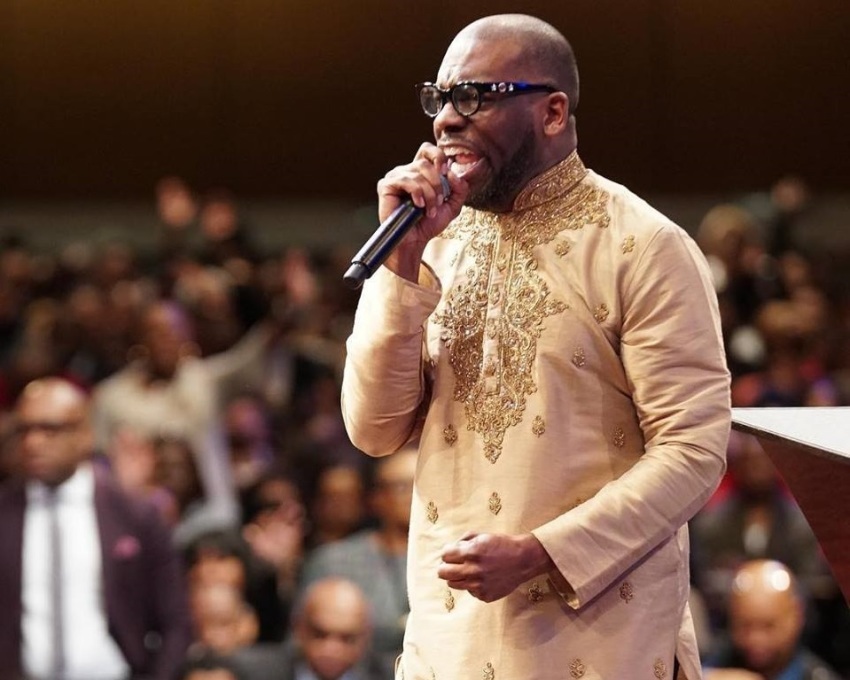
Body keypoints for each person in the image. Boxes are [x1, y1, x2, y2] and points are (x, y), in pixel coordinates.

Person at [340, 13, 731, 680]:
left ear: (552, 113)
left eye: (475, 98)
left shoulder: (644, 245)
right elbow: (373, 431)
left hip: (600, 642)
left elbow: (694, 452)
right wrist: (401, 266)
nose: (446, 123)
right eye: (440, 99)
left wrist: (545, 552)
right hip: (449, 646)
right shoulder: (438, 242)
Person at [0, 377, 191, 680]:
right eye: (24, 430)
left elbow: (174, 621)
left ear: (85, 434)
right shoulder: (5, 514)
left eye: (50, 429)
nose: (33, 443)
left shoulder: (134, 515)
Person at [299, 446, 417, 677]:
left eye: (425, 486)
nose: (417, 497)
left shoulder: (455, 559)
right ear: (377, 498)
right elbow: (303, 638)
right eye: (404, 487)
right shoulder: (334, 561)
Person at [703, 560, 842, 680]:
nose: (756, 639)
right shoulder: (718, 662)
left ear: (797, 618)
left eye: (768, 626)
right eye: (745, 626)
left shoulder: (820, 676)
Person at [232, 577, 383, 680]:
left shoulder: (396, 676)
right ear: (299, 629)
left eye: (346, 639)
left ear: (365, 637)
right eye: (319, 634)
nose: (331, 649)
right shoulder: (252, 674)